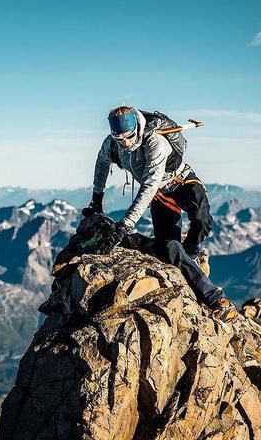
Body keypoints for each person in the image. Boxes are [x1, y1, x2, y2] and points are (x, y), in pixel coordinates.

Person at [82, 106, 237, 323]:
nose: (125, 143)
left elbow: (149, 186)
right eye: (119, 138)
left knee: (201, 219)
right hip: (160, 196)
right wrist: (97, 198)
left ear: (137, 127)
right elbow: (101, 164)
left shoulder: (156, 143)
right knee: (170, 247)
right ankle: (209, 290)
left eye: (128, 137)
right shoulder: (112, 143)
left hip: (181, 181)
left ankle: (192, 255)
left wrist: (124, 225)